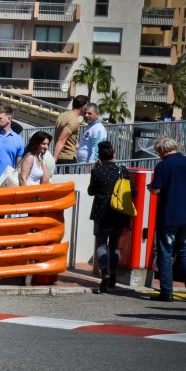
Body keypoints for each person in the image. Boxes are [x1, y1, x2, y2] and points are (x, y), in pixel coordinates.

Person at [147, 136, 186, 301]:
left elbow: (156, 190)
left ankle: (167, 292)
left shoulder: (163, 166)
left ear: (163, 149)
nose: (158, 155)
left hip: (169, 216)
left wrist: (150, 187)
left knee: (165, 252)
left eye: (158, 152)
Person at [86, 140, 130, 293]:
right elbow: (134, 192)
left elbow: (91, 191)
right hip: (119, 212)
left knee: (101, 244)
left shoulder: (97, 171)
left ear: (100, 156)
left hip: (101, 213)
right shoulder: (123, 171)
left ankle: (104, 272)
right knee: (114, 245)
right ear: (114, 154)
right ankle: (113, 274)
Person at [53, 94, 88, 166]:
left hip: (60, 157)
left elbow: (66, 140)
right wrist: (53, 161)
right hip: (67, 159)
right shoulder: (74, 120)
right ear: (83, 108)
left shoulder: (62, 116)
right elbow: (61, 140)